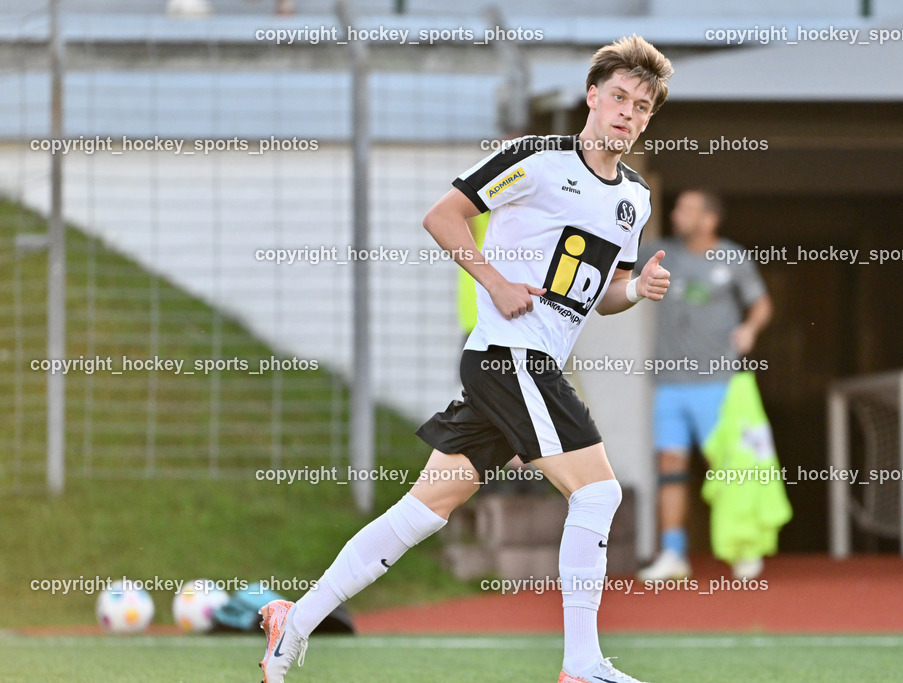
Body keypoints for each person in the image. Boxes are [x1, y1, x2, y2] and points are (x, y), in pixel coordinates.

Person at [257, 35, 674, 683]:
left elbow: (600, 296)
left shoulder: (635, 200)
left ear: (649, 118)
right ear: (592, 97)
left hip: (526, 365)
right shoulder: (534, 159)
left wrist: (635, 290)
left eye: (642, 105)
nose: (627, 111)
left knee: (424, 509)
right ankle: (582, 665)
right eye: (618, 96)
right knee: (599, 492)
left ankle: (296, 618)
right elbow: (444, 215)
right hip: (511, 357)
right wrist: (495, 282)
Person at [637, 189, 775, 582]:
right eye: (679, 208)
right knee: (670, 466)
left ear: (709, 219)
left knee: (727, 466)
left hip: (717, 383)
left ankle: (742, 548)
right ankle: (674, 554)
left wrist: (749, 329)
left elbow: (762, 303)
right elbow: (613, 264)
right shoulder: (660, 252)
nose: (678, 214)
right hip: (669, 384)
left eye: (688, 209)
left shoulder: (732, 256)